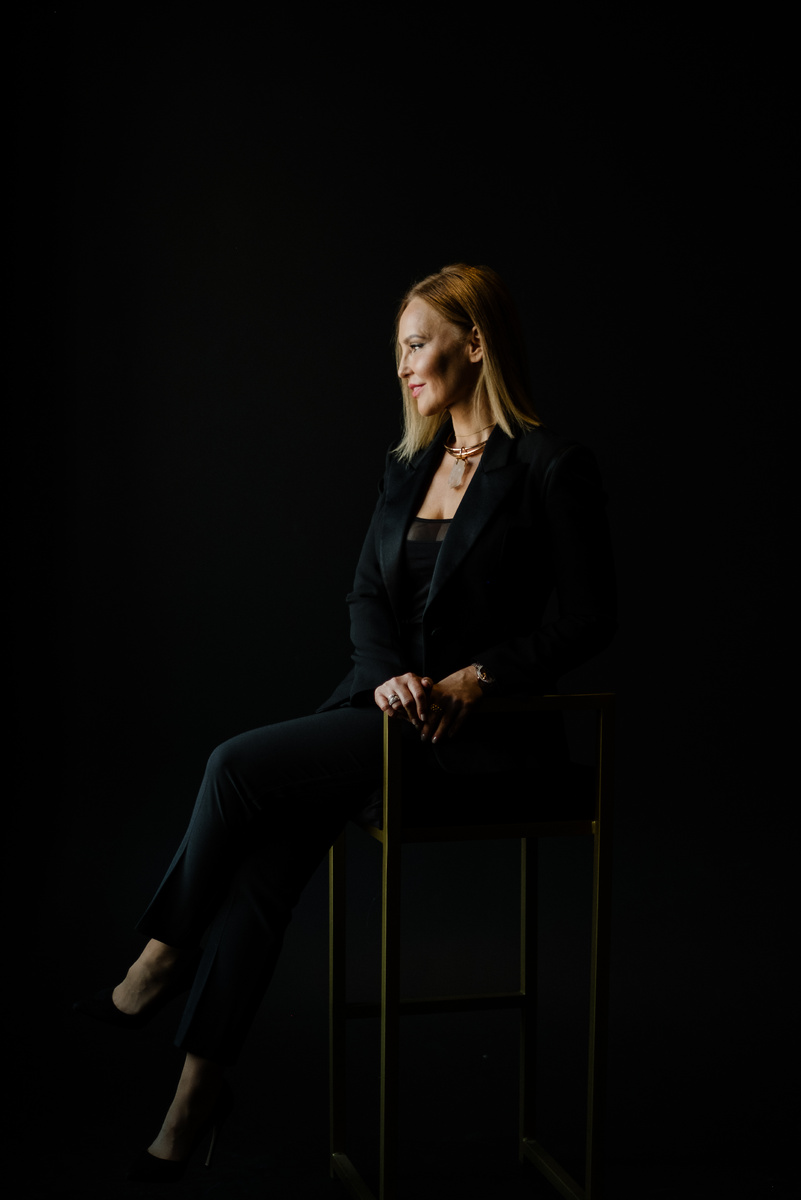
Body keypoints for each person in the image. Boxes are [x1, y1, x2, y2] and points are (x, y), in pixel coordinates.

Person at [74, 262, 616, 1181]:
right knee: (264, 860)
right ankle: (194, 1100)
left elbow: (588, 619)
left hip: (476, 739)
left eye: (417, 343)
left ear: (474, 343)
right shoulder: (407, 467)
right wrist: (388, 676)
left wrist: (477, 678)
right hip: (384, 713)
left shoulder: (549, 467)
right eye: (397, 348)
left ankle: (161, 960)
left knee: (234, 767)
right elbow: (366, 597)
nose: (402, 365)